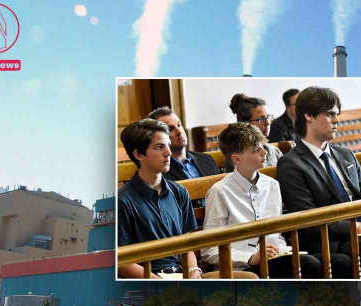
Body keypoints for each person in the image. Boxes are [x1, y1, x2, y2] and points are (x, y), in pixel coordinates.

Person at [277, 86, 361, 278]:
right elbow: (310, 220)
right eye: (330, 114)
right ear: (309, 116)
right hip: (335, 239)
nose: (337, 120)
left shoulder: (345, 154)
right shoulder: (290, 164)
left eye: (337, 114)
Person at [118, 119, 256, 279]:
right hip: (153, 280)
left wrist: (194, 271)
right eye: (159, 147)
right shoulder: (124, 201)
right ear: (138, 154)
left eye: (168, 145)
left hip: (184, 274)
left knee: (250, 279)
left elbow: (187, 243)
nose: (168, 153)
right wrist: (159, 281)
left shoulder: (179, 192)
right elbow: (122, 262)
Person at [201, 122, 323, 278]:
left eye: (263, 146)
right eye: (256, 150)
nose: (264, 152)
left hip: (274, 259)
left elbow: (276, 235)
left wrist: (280, 249)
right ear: (236, 158)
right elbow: (208, 250)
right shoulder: (220, 191)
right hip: (242, 268)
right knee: (308, 264)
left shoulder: (272, 185)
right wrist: (250, 258)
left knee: (336, 262)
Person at [147, 107, 221, 181]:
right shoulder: (157, 171)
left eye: (179, 125)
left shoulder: (206, 159)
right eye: (170, 129)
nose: (179, 132)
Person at [225, 94, 283, 172]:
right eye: (261, 119)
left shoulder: (275, 152)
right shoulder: (238, 157)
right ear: (246, 123)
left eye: (268, 117)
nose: (268, 123)